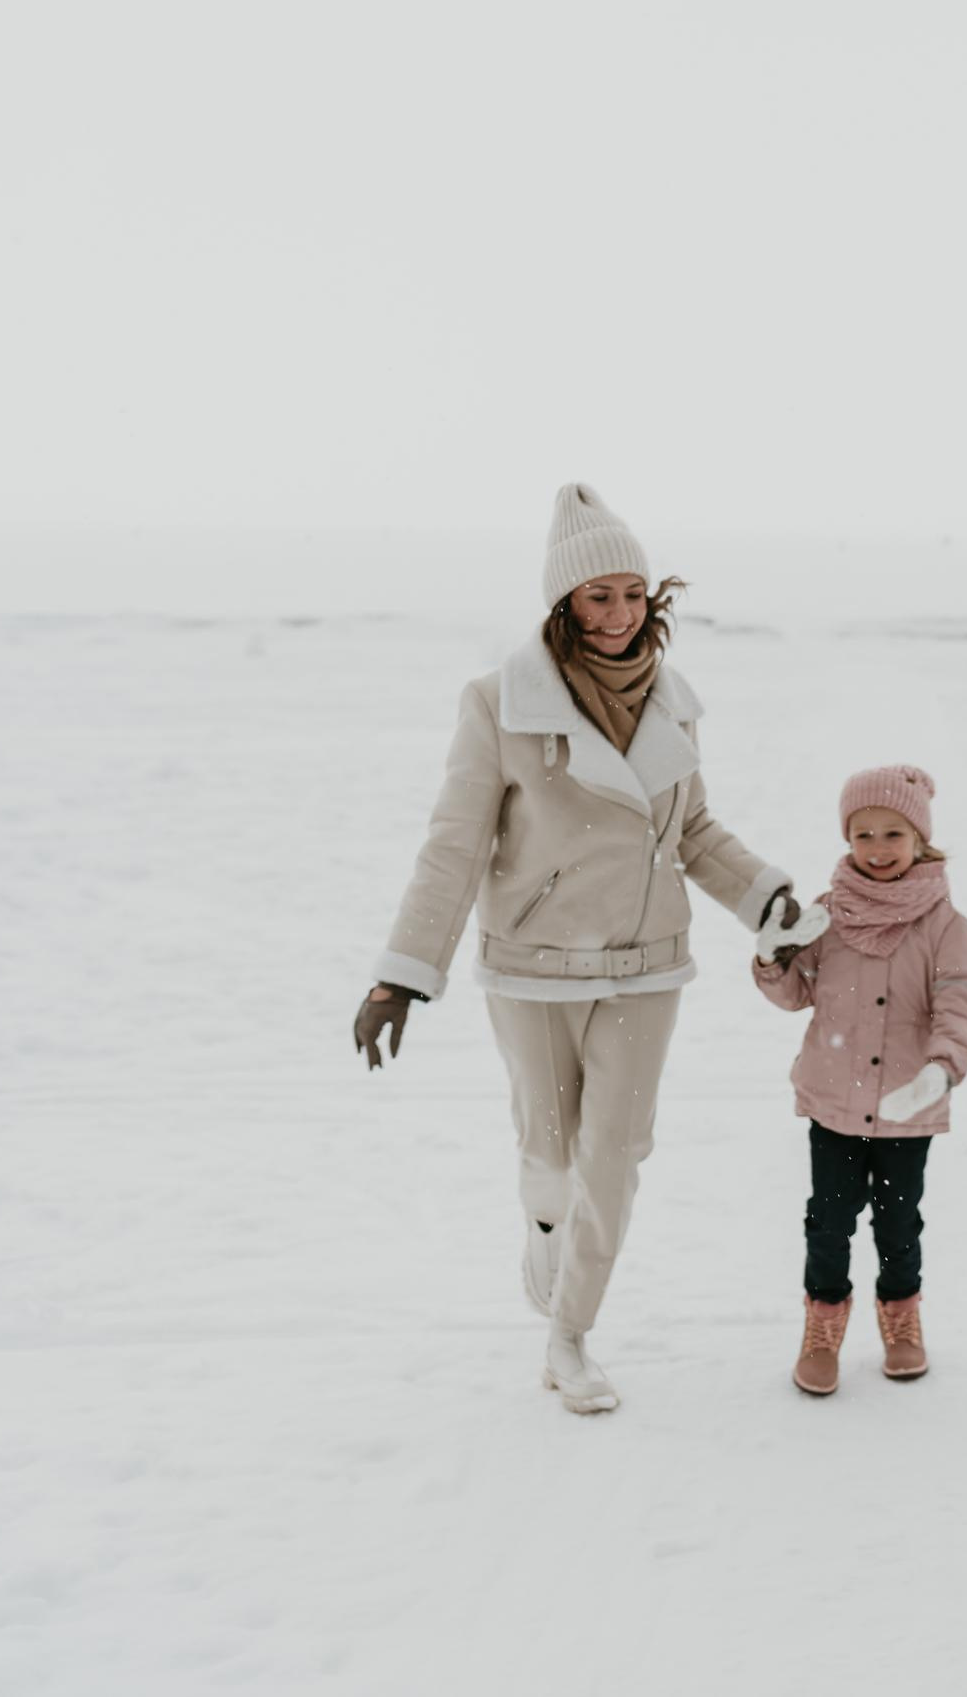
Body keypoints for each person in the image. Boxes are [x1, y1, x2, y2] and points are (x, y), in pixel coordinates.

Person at [352, 482, 804, 1417]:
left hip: (648, 963)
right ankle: (545, 1224)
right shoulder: (498, 705)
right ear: (562, 606)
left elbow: (693, 831)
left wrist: (766, 896)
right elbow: (454, 845)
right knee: (554, 1159)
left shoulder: (675, 705)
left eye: (633, 594)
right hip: (534, 966)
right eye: (598, 597)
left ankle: (569, 1338)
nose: (619, 614)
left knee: (616, 1154)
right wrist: (401, 976)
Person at [752, 765, 967, 1396]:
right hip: (833, 1101)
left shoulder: (943, 925)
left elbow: (958, 1005)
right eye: (864, 835)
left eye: (893, 834)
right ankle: (823, 1325)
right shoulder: (828, 915)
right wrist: (774, 956)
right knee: (828, 1221)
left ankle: (901, 1320)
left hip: (909, 1105)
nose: (878, 850)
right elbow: (796, 994)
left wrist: (942, 1070)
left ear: (920, 840)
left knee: (898, 1220)